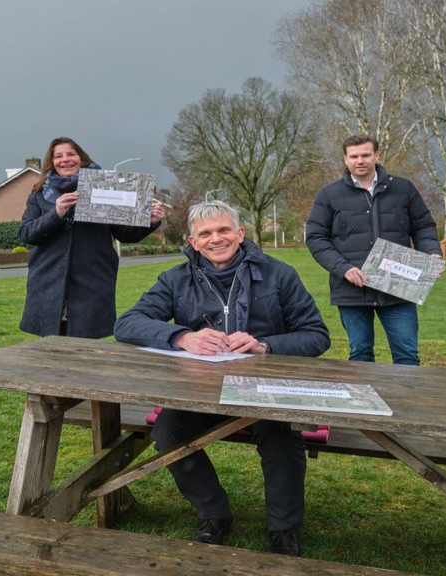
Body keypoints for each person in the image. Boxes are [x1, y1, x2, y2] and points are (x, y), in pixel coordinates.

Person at [114, 201, 330, 556]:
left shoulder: (280, 275)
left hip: (264, 391)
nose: (217, 239)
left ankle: (283, 529)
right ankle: (214, 513)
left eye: (224, 230)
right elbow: (126, 324)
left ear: (240, 234)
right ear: (193, 241)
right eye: (206, 234)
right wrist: (183, 337)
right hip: (199, 389)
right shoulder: (175, 279)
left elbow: (317, 335)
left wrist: (264, 345)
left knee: (282, 440)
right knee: (168, 430)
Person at [305, 134, 441, 365]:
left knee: (407, 355)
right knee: (360, 354)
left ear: (376, 155)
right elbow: (316, 238)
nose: (360, 160)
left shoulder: (403, 189)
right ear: (345, 159)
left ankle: (406, 401)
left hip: (398, 288)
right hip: (351, 291)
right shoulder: (329, 195)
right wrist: (343, 268)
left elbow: (424, 226)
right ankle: (364, 401)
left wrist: (431, 253)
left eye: (366, 155)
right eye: (354, 156)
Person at [18, 136, 165, 338]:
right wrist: (57, 213)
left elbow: (123, 234)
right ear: (51, 162)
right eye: (58, 156)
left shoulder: (106, 188)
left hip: (92, 282)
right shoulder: (39, 194)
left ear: (82, 158)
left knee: (87, 349)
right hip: (49, 282)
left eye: (71, 154)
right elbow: (26, 234)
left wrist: (150, 221)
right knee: (52, 349)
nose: (65, 159)